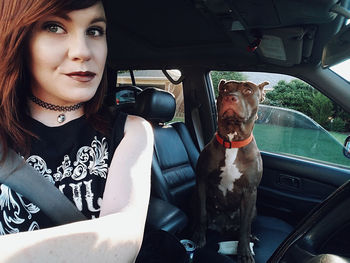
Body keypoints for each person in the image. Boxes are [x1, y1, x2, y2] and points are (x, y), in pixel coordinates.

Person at [0, 0, 154, 262]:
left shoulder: (132, 132)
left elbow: (123, 237)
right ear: (19, 38)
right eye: (54, 27)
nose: (83, 52)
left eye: (95, 31)